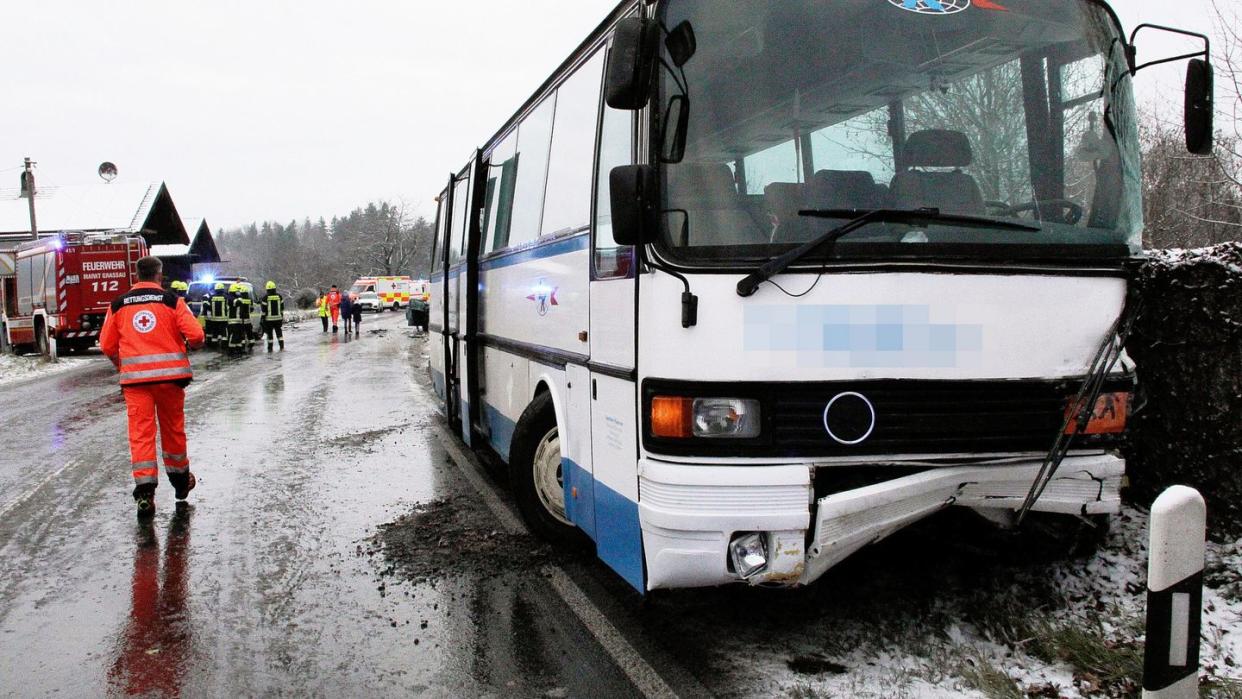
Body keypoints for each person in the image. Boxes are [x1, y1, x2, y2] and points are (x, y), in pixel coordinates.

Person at [99, 256, 205, 518]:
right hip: (170, 381)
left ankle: (145, 493)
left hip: (136, 383)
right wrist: (189, 347)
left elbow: (106, 345)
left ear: (137, 275)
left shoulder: (118, 304)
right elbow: (197, 336)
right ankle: (181, 483)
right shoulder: (172, 301)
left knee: (141, 434)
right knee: (173, 431)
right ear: (159, 275)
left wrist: (122, 364)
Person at [227, 282, 252, 356]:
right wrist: (241, 299)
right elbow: (237, 302)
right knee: (234, 336)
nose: (239, 293)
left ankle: (238, 349)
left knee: (238, 336)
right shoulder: (230, 298)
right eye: (238, 291)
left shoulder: (234, 297)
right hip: (232, 321)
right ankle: (231, 350)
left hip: (238, 320)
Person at [261, 281, 285, 352]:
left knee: (270, 334)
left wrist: (263, 318)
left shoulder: (265, 298)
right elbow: (282, 308)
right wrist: (281, 315)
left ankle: (270, 348)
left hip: (269, 320)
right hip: (278, 319)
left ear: (267, 289)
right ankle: (282, 347)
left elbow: (263, 310)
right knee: (279, 333)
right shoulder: (279, 296)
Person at [207, 282, 229, 350]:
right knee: (224, 332)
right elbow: (228, 307)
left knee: (215, 332)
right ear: (223, 289)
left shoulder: (211, 297)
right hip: (223, 319)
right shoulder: (226, 297)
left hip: (214, 319)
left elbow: (208, 307)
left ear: (215, 289)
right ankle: (224, 345)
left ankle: (214, 345)